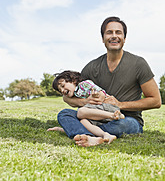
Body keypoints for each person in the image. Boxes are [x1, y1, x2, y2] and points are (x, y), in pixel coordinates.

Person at [57, 16, 161, 147]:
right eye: (109, 32)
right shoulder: (92, 67)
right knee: (64, 114)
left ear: (124, 38)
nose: (114, 36)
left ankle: (78, 130)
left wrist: (120, 105)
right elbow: (67, 98)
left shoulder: (138, 64)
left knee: (126, 125)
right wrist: (85, 101)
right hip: (95, 117)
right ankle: (89, 135)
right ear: (103, 39)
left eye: (118, 32)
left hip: (125, 119)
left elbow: (156, 101)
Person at [48, 70, 125, 143]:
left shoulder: (84, 85)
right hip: (96, 115)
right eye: (60, 90)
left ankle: (113, 115)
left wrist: (97, 94)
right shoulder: (74, 95)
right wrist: (60, 129)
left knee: (81, 112)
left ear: (74, 80)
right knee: (83, 121)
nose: (62, 90)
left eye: (63, 86)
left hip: (107, 107)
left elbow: (101, 92)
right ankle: (104, 135)